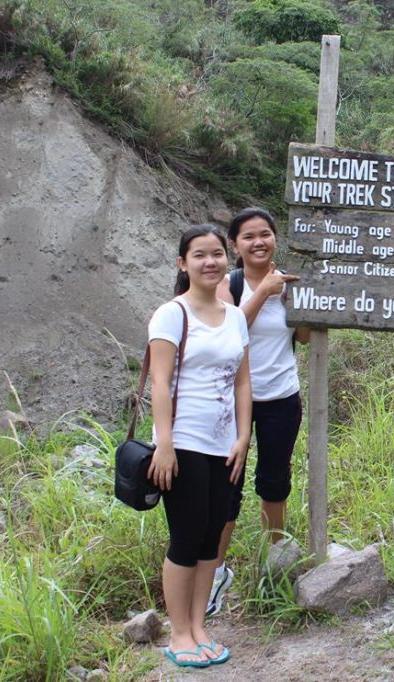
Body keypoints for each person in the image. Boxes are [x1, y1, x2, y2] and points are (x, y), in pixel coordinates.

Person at [147, 224, 251, 667]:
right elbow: (160, 381)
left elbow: (242, 381)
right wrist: (164, 445)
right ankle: (179, 632)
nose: (210, 262)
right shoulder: (171, 314)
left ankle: (200, 626)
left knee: (212, 539)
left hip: (225, 443)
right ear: (182, 263)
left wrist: (244, 437)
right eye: (200, 255)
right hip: (184, 441)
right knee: (187, 537)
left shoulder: (236, 316)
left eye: (217, 254)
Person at [206, 207, 309, 616]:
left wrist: (296, 303)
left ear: (275, 239)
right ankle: (215, 573)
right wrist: (262, 293)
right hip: (233, 400)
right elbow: (224, 333)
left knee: (274, 481)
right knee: (227, 486)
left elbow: (302, 334)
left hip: (282, 396)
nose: (258, 241)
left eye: (265, 234)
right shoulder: (227, 285)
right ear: (235, 246)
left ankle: (274, 564)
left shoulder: (287, 281)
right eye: (248, 236)